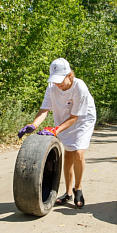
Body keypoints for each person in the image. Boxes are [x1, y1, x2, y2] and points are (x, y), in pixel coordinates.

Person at [18, 58, 96, 208]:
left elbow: (75, 117)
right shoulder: (52, 87)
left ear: (70, 76)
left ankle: (78, 189)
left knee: (78, 151)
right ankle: (68, 193)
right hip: (64, 118)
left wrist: (56, 129)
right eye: (55, 80)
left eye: (60, 80)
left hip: (82, 119)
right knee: (68, 152)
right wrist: (33, 125)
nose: (57, 83)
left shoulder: (79, 87)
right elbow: (44, 109)